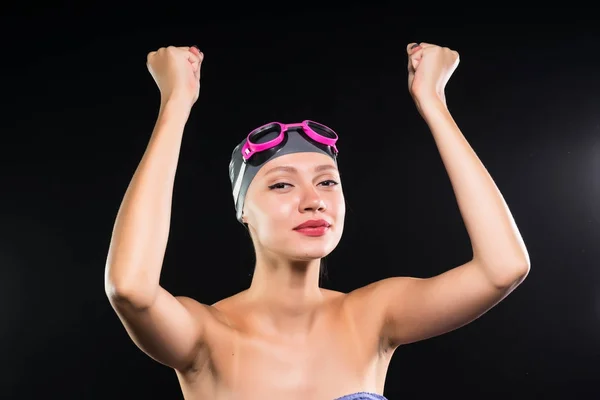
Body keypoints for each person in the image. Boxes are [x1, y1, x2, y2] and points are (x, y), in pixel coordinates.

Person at [104, 42, 530, 400]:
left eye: (327, 182)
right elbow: (131, 289)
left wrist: (434, 102)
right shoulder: (205, 335)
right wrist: (175, 104)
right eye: (281, 186)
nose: (314, 201)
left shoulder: (373, 316)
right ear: (242, 210)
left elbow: (502, 268)